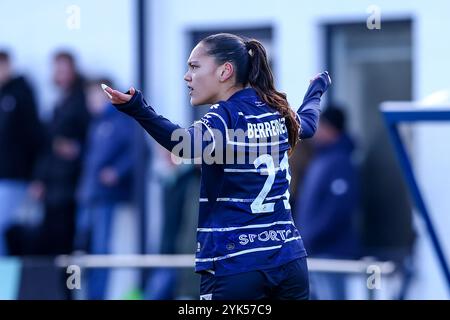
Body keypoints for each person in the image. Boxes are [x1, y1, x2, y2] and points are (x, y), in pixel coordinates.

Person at [104, 33, 331, 300]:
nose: (187, 76)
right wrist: (316, 88)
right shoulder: (276, 111)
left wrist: (137, 108)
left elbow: (185, 145)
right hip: (289, 259)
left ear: (225, 71)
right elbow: (309, 124)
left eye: (194, 66)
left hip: (236, 264)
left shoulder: (225, 116)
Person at [74, 78, 136, 300]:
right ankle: (82, 294)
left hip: (106, 198)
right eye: (89, 97)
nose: (91, 102)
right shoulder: (96, 124)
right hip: (88, 196)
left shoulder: (122, 121)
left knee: (101, 250)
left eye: (95, 97)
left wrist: (117, 172)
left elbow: (137, 152)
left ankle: (97, 296)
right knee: (82, 249)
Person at [295, 105, 360, 300]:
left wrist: (310, 239)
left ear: (331, 129)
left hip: (332, 254)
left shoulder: (340, 162)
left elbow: (338, 210)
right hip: (315, 253)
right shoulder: (320, 160)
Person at [31, 51, 91, 255]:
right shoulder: (59, 102)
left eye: (64, 69)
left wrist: (76, 149)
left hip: (70, 184)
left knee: (66, 239)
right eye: (57, 69)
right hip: (53, 184)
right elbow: (48, 145)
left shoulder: (81, 100)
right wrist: (40, 179)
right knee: (52, 238)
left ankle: (67, 286)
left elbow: (89, 138)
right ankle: (56, 285)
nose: (60, 73)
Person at [0, 50, 44, 255]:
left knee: (6, 228)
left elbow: (35, 136)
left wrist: (37, 176)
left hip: (15, 177)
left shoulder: (20, 94)